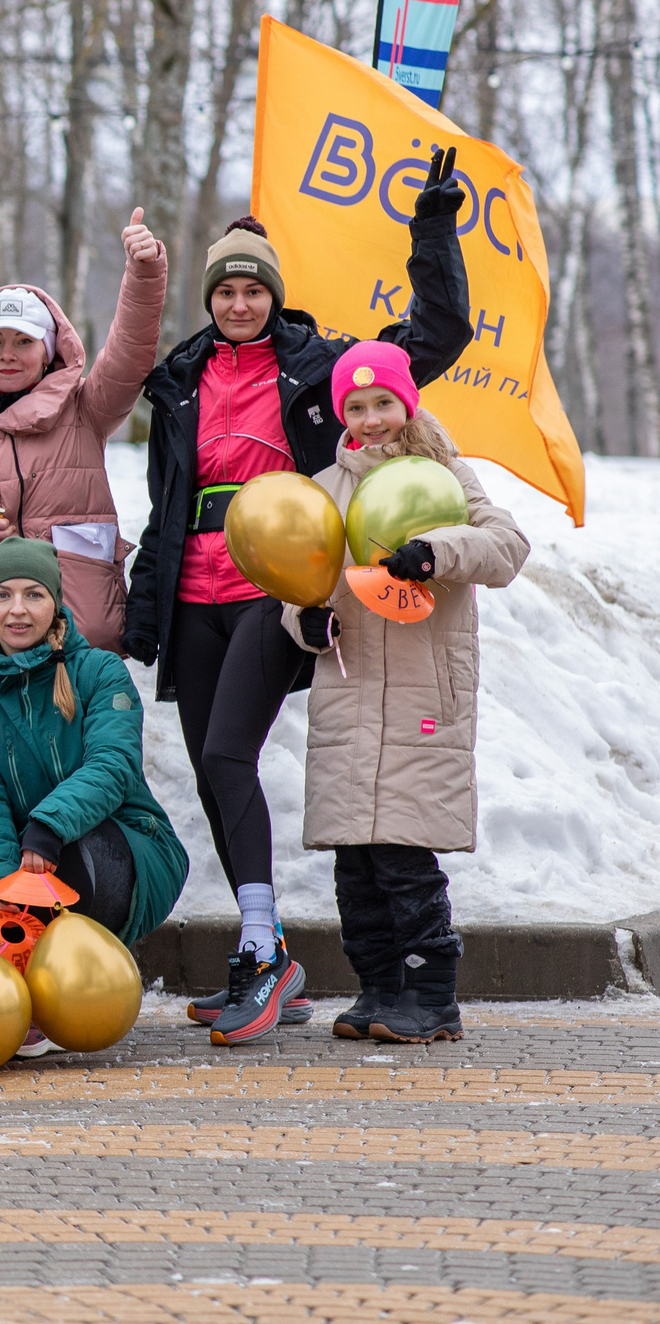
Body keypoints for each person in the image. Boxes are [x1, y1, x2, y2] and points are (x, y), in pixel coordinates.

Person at [125, 152, 472, 1044]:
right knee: (209, 762)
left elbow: (435, 337)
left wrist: (432, 234)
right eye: (225, 291)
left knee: (233, 752)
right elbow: (167, 497)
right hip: (196, 583)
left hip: (277, 590)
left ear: (275, 294)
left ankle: (261, 945)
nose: (239, 303)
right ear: (210, 300)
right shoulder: (180, 378)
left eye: (254, 289)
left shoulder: (322, 368)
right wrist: (145, 601)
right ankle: (265, 943)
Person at [278, 342, 526, 1044]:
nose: (371, 416)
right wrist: (305, 621)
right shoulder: (328, 484)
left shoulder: (446, 473)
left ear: (407, 402)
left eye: (383, 401)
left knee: (403, 854)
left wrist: (435, 550)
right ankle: (380, 987)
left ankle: (432, 994)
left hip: (422, 692)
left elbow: (505, 546)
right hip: (349, 695)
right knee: (355, 862)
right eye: (356, 406)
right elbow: (298, 582)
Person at [0, 538, 191, 1053]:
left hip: (124, 845)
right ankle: (22, 1005)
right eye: (3, 595)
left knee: (74, 862)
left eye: (34, 595)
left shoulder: (100, 672)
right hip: (25, 857)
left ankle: (69, 997)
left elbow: (113, 766)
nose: (17, 610)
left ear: (55, 601)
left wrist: (49, 827)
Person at [0, 210, 167, 691]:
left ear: (49, 349)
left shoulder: (86, 409)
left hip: (76, 632)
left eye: (23, 341)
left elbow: (129, 351)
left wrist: (144, 272)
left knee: (81, 760)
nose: (7, 353)